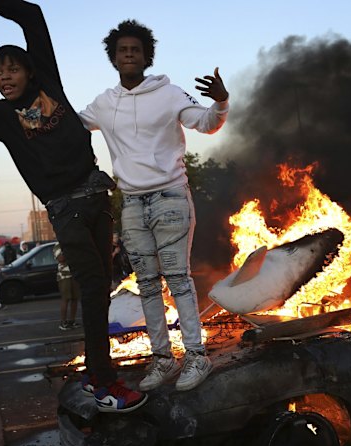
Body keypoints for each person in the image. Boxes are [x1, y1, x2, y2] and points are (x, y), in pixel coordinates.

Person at [0, 0, 146, 412]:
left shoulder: (50, 87)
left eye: (12, 69)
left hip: (97, 196)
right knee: (94, 287)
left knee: (103, 290)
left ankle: (98, 370)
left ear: (29, 71)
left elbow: (32, 15)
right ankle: (101, 380)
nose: (5, 77)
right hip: (66, 210)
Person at [79, 20, 229, 392]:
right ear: (113, 59)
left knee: (178, 280)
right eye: (122, 50)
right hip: (130, 204)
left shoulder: (169, 94)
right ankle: (163, 360)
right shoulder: (104, 103)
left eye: (135, 49)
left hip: (170, 199)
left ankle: (197, 356)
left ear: (146, 56)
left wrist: (221, 102)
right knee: (146, 284)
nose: (128, 54)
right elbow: (71, 126)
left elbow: (206, 124)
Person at [53, 243, 80, 331]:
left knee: (75, 298)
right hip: (64, 276)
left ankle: (72, 321)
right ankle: (63, 322)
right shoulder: (58, 245)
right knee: (66, 299)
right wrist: (71, 252)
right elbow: (61, 258)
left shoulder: (72, 243)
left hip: (74, 274)